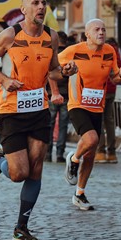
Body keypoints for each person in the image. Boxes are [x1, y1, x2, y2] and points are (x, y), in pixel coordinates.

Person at [0, 0, 77, 240]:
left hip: (38, 110)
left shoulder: (51, 37)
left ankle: (21, 227)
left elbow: (53, 71)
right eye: (35, 3)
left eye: (44, 2)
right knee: (18, 173)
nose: (41, 7)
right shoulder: (10, 35)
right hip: (11, 111)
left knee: (36, 168)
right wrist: (4, 80)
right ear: (23, 9)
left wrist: (65, 71)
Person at [60, 19, 121, 211]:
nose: (101, 32)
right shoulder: (74, 50)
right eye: (97, 29)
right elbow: (54, 70)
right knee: (91, 139)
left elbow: (113, 77)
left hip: (97, 106)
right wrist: (64, 72)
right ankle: (73, 159)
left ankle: (79, 194)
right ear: (87, 34)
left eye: (103, 29)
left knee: (90, 154)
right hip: (78, 104)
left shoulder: (109, 51)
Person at [95, 37, 121, 164]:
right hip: (112, 88)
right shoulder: (116, 52)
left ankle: (100, 151)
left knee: (99, 121)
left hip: (101, 88)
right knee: (110, 121)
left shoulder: (104, 51)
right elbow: (119, 70)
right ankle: (112, 152)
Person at [46, 31, 72, 163]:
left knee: (49, 125)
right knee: (63, 125)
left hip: (51, 94)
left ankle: (47, 152)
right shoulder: (70, 54)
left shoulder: (51, 53)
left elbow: (47, 73)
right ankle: (60, 153)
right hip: (66, 95)